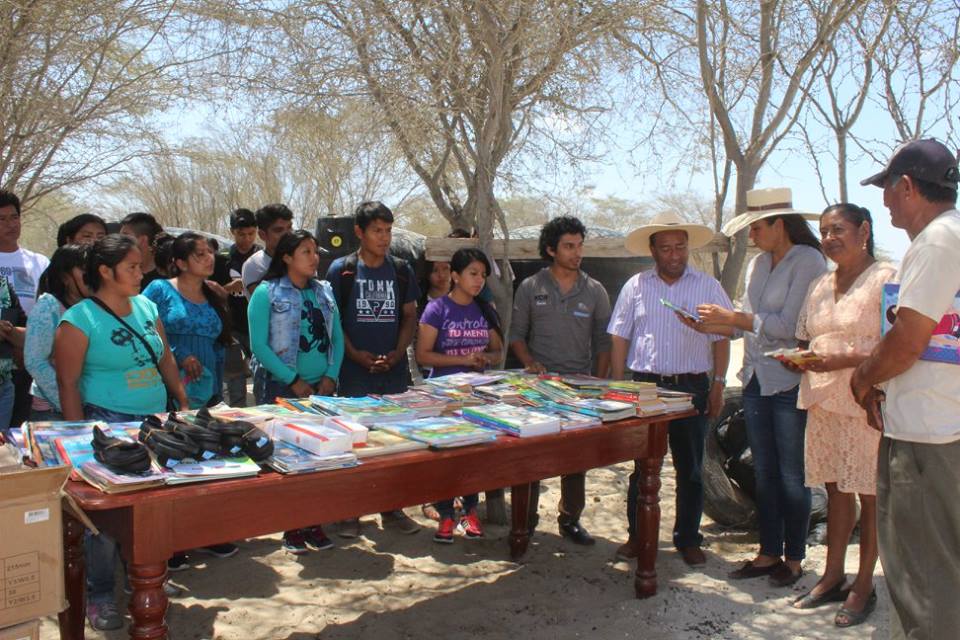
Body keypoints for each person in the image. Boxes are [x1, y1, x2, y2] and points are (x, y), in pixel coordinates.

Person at [851, 139, 960, 638]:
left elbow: (908, 341)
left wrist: (863, 377)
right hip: (934, 427)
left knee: (924, 579)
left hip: (929, 440)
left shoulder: (938, 241)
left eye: (889, 190)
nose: (886, 201)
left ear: (909, 187)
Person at [53, 234, 189, 631]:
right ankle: (98, 596)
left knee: (154, 508)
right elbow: (67, 382)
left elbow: (164, 354)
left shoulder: (146, 305)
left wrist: (179, 397)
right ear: (105, 271)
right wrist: (80, 438)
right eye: (131, 267)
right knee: (106, 524)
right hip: (105, 424)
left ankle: (148, 580)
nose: (140, 272)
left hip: (153, 422)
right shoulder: (78, 320)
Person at [693, 187, 826, 587]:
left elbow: (789, 326)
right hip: (755, 379)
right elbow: (750, 323)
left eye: (756, 228)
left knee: (791, 475)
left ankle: (795, 558)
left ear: (778, 225)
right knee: (765, 472)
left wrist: (734, 317)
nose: (751, 237)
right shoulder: (757, 266)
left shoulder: (810, 262)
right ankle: (769, 552)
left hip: (787, 381)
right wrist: (709, 325)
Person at [780, 204, 894, 626]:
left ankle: (865, 586)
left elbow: (897, 343)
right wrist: (802, 359)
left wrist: (842, 359)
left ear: (864, 230)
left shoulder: (886, 279)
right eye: (824, 231)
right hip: (823, 400)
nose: (829, 238)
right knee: (836, 491)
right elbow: (809, 338)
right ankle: (832, 576)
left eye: (839, 229)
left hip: (865, 400)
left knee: (870, 493)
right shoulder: (819, 284)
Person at [607, 211, 731, 567]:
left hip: (692, 387)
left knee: (690, 468)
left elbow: (723, 337)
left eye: (680, 247)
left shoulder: (707, 285)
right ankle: (637, 536)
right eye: (666, 249)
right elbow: (619, 336)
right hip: (647, 388)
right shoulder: (636, 286)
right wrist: (618, 387)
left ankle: (688, 538)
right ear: (653, 250)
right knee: (643, 467)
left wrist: (718, 385)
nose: (675, 255)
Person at [509, 216, 611, 546]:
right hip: (537, 390)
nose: (577, 252)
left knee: (575, 459)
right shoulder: (530, 288)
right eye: (569, 246)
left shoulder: (595, 290)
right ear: (551, 249)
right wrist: (529, 363)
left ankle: (570, 519)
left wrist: (597, 382)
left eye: (580, 245)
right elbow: (517, 336)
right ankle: (526, 521)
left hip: (579, 391)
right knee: (532, 456)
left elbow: (604, 341)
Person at [325, 201, 421, 538]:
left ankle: (392, 509)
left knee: (392, 444)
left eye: (388, 230)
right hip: (354, 373)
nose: (384, 237)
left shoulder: (402, 269)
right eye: (377, 231)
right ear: (359, 232)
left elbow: (409, 316)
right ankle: (350, 513)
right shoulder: (341, 270)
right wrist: (355, 354)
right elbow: (333, 321)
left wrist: (397, 353)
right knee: (354, 443)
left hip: (393, 373)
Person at [248, 230, 343, 554]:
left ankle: (314, 522)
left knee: (320, 458)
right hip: (283, 387)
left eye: (315, 251)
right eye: (306, 252)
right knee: (288, 460)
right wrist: (293, 380)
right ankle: (291, 528)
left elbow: (338, 338)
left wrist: (330, 375)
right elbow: (259, 345)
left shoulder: (324, 292)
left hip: (322, 388)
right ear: (287, 257)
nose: (314, 258)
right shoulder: (267, 293)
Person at [416, 247, 503, 543]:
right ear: (455, 276)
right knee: (445, 457)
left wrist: (484, 358)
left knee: (472, 457)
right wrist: (462, 361)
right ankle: (445, 513)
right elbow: (423, 354)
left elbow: (497, 349)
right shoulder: (437, 309)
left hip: (476, 397)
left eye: (482, 275)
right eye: (472, 274)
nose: (479, 281)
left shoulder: (484, 309)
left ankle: (469, 511)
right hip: (443, 397)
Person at [143, 233, 230, 409]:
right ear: (181, 263)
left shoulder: (214, 293)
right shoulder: (159, 289)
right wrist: (178, 352)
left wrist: (217, 393)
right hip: (168, 388)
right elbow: (141, 328)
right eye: (200, 254)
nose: (209, 258)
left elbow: (218, 346)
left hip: (207, 389)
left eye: (210, 252)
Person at [0, 189, 50, 431]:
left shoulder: (39, 262)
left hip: (30, 356)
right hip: (3, 357)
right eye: (1, 219)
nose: (10, 225)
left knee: (19, 428)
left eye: (14, 217)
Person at [24, 245, 90, 421]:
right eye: (84, 270)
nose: (91, 276)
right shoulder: (49, 306)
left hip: (89, 408)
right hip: (52, 411)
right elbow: (35, 361)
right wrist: (70, 403)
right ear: (65, 277)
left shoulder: (94, 307)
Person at [217, 208, 260, 406]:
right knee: (234, 375)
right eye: (241, 234)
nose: (246, 239)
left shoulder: (262, 257)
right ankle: (238, 411)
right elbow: (210, 292)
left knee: (261, 369)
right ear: (232, 232)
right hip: (232, 326)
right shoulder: (221, 258)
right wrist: (228, 288)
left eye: (251, 233)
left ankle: (263, 405)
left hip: (258, 326)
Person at [241, 203, 294, 296]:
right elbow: (271, 305)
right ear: (262, 235)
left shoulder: (303, 259)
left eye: (289, 228)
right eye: (279, 230)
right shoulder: (254, 266)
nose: (288, 234)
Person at [119, 212, 164, 288]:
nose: (119, 240)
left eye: (125, 236)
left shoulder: (166, 275)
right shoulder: (118, 270)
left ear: (143, 239)